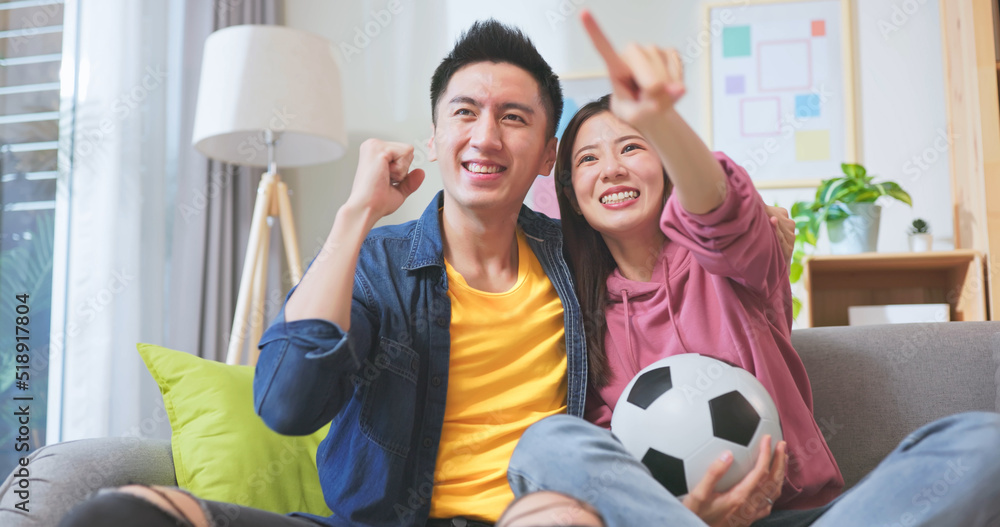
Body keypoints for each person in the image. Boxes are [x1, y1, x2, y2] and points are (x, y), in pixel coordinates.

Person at [57, 19, 794, 527]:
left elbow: (703, 238)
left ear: (544, 157)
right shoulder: (377, 261)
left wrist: (766, 232)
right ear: (436, 137)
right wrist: (353, 215)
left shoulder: (579, 260)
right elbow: (285, 404)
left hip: (536, 511)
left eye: (514, 117)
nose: (484, 135)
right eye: (465, 113)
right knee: (117, 511)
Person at [501, 11, 1000, 527]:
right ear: (573, 200)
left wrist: (661, 119)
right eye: (588, 159)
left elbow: (719, 211)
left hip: (799, 515)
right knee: (546, 443)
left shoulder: (735, 263)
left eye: (633, 146)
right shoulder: (581, 313)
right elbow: (605, 465)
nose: (613, 169)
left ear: (667, 168)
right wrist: (690, 514)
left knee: (983, 445)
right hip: (670, 518)